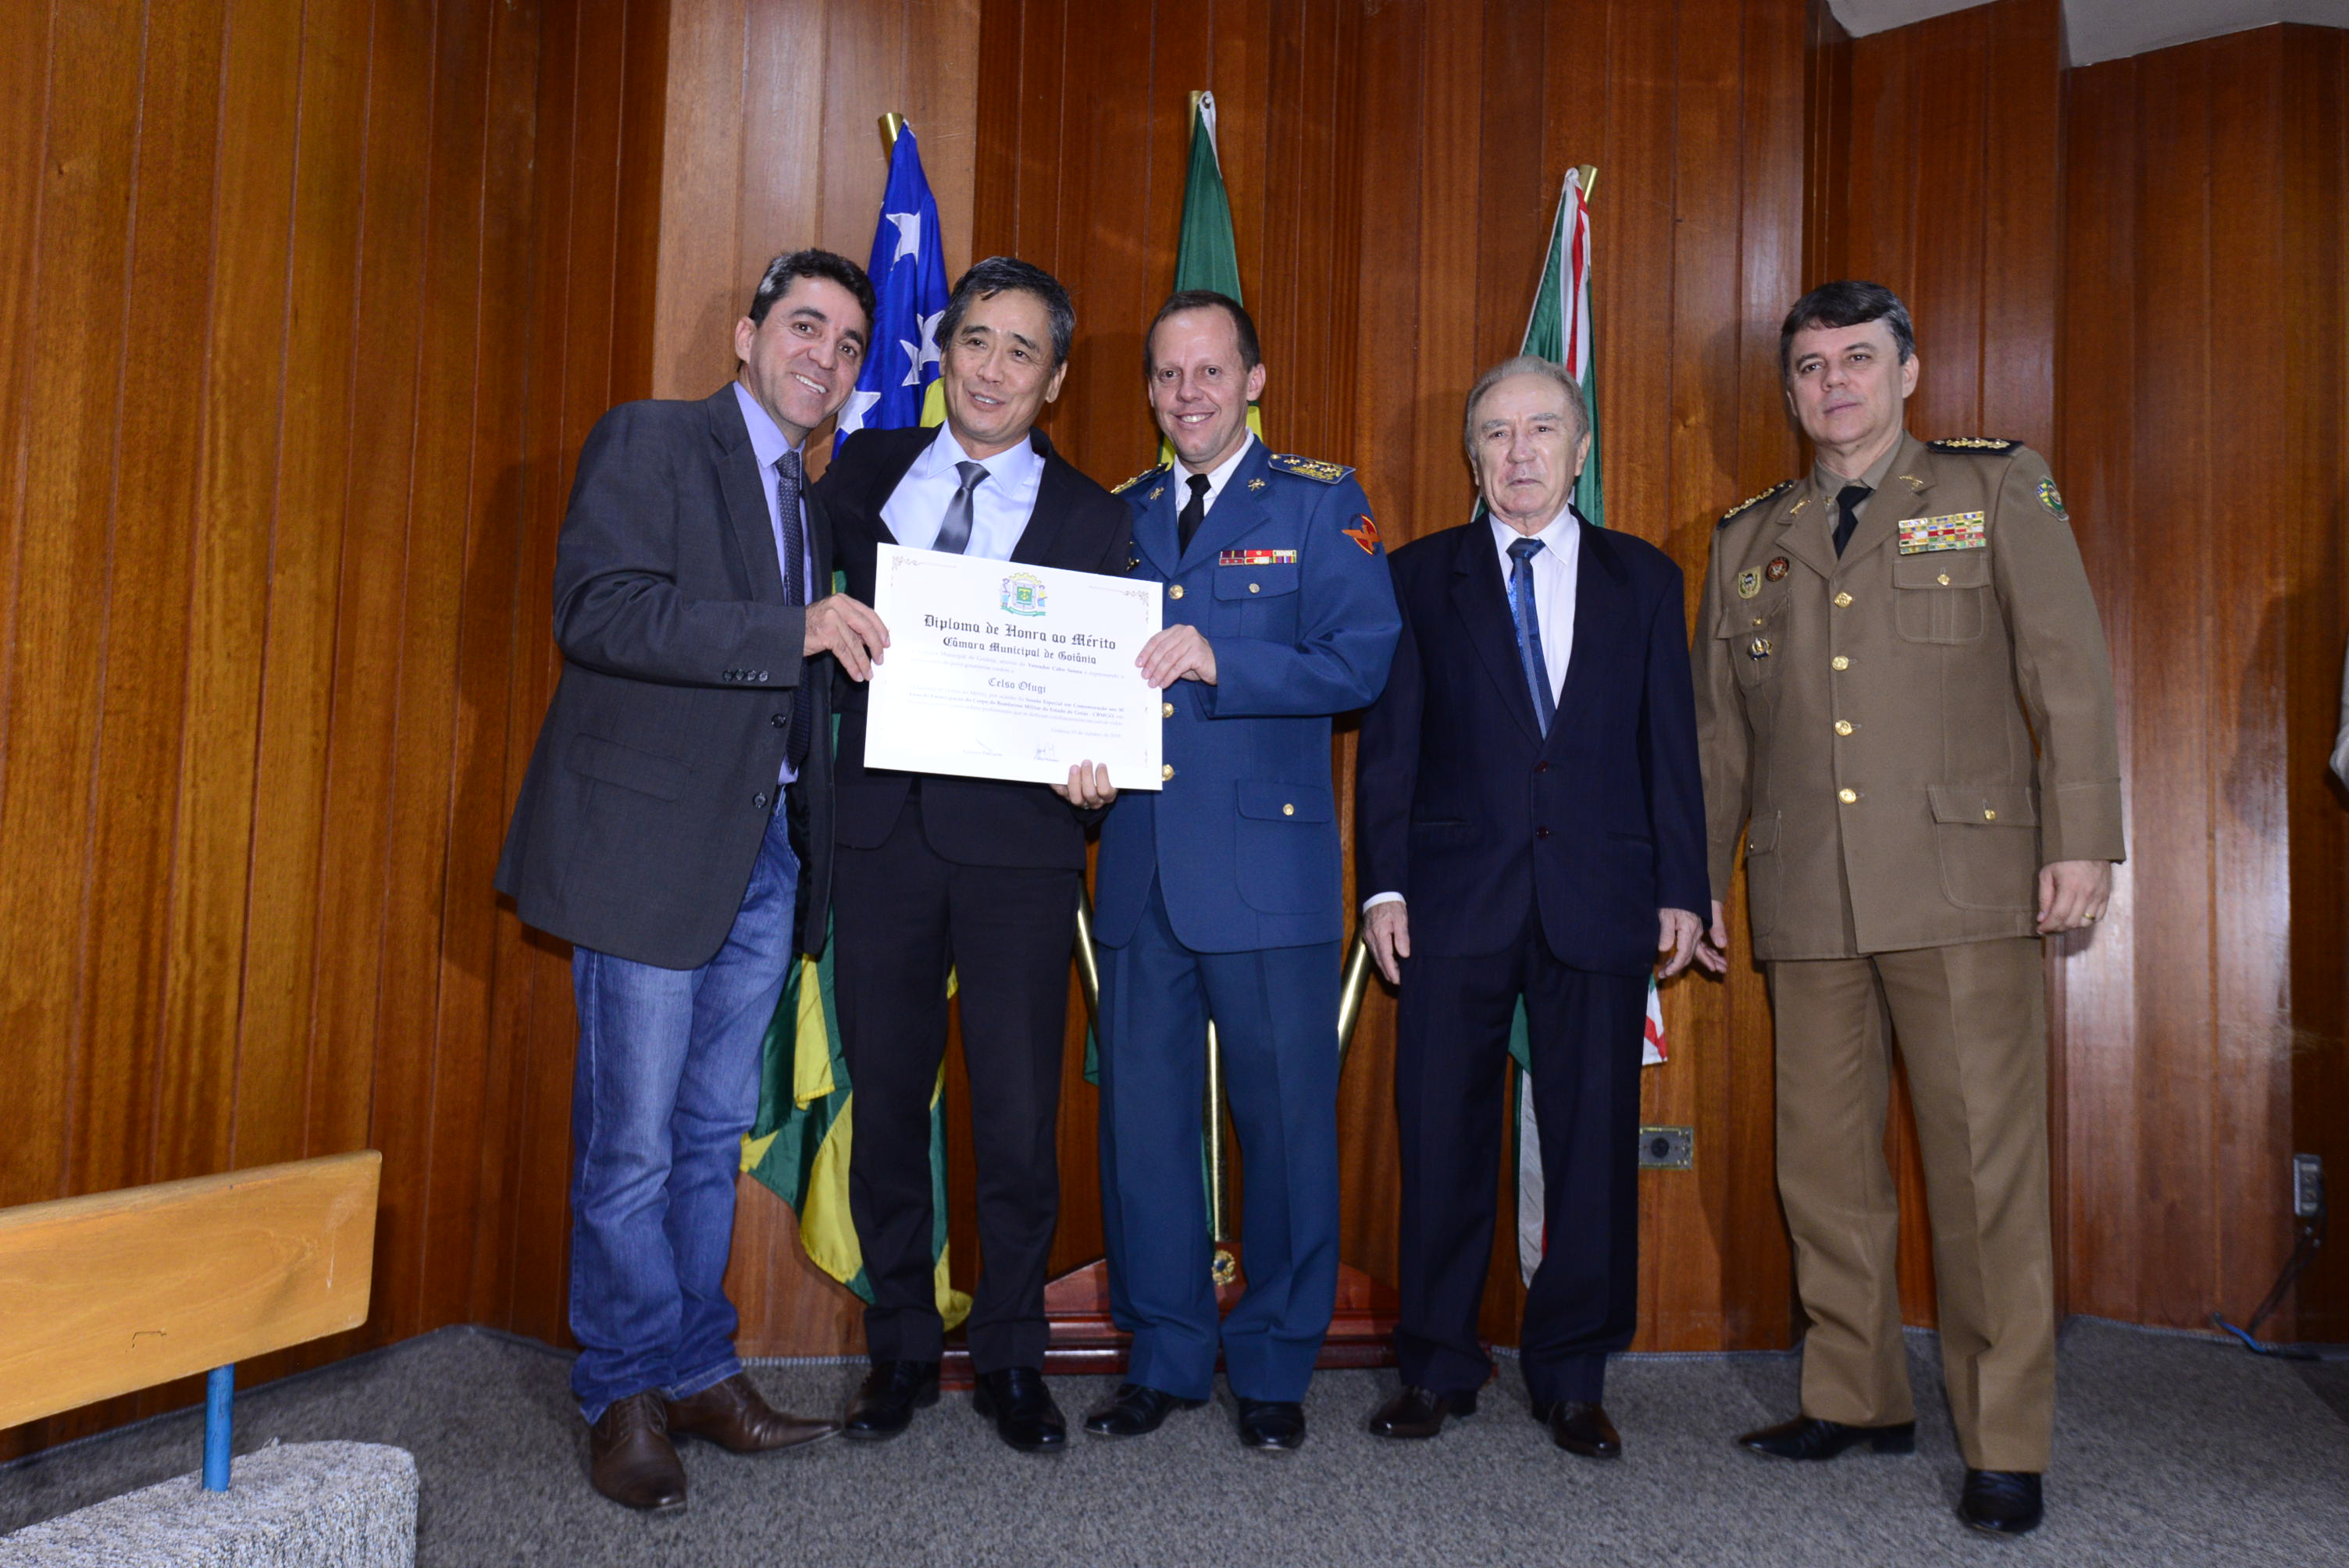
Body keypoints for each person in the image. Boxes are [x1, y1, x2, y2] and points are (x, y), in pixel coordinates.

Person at [1692, 280, 2123, 1538]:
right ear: (1790, 388)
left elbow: (2068, 670)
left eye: (1858, 360)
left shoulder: (1994, 487)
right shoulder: (1750, 539)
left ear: (1908, 372)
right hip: (1808, 890)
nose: (1834, 384)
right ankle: (1857, 1396)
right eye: (1811, 366)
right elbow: (1721, 737)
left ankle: (2006, 1442)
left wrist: (2083, 839)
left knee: (1985, 1172)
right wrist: (1699, 876)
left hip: (1961, 886)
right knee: (1823, 1166)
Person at [495, 249, 889, 1512]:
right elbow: (601, 610)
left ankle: (697, 1370)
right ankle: (621, 1392)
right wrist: (794, 629)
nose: (825, 358)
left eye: (848, 345)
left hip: (766, 861)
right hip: (648, 855)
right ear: (746, 335)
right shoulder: (653, 441)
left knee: (712, 1135)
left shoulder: (813, 505)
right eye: (806, 327)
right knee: (633, 1144)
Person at [1354, 356, 1706, 1460]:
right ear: (1473, 456)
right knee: (1441, 1138)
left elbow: (1670, 747)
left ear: (1580, 449)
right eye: (1497, 433)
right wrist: (1383, 884)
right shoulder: (1418, 578)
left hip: (1599, 899)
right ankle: (1437, 1365)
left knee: (1594, 1148)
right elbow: (1391, 749)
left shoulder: (1644, 580)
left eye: (1542, 429)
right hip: (1452, 901)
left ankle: (1573, 1376)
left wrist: (1682, 887)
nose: (1519, 453)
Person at [815, 257, 1130, 1454]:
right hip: (880, 838)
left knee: (1015, 1118)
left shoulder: (1095, 518)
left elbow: (1105, 692)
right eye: (976, 341)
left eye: (1021, 351)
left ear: (1056, 379)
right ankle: (899, 1346)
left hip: (1019, 855)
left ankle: (1010, 1355)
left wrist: (1100, 769)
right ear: (944, 351)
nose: (993, 370)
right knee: (889, 1105)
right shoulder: (862, 470)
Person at [1085, 290, 1401, 1452]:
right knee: (1146, 1135)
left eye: (1211, 371)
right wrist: (1075, 757)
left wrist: (1228, 660)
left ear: (1254, 381)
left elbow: (1362, 660)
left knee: (1287, 1133)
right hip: (1139, 869)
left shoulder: (1319, 503)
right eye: (1169, 375)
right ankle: (1165, 1357)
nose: (1189, 394)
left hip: (1267, 874)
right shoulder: (1117, 513)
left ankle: (1272, 1367)